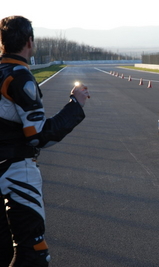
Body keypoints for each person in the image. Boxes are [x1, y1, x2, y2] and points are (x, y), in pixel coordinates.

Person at [0, 16, 90, 266]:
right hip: (16, 169)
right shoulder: (19, 77)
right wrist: (75, 105)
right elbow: (39, 137)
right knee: (33, 252)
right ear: (30, 41)